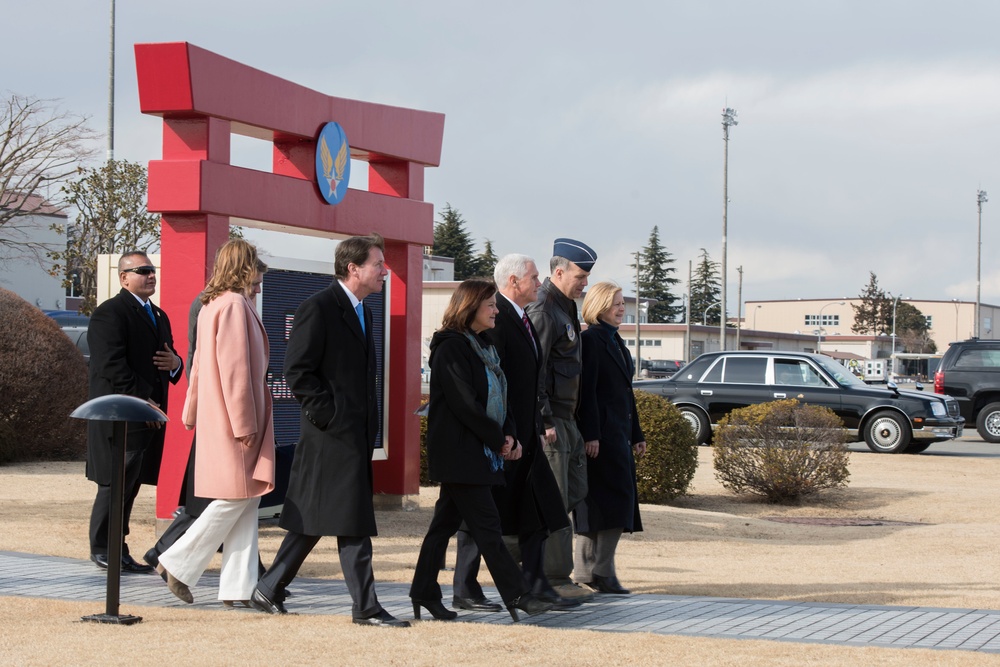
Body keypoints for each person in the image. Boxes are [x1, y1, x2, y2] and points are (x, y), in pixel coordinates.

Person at [251, 233, 408, 627]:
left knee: (323, 517)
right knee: (351, 520)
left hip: (352, 436)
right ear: (353, 268)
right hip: (330, 437)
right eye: (377, 264)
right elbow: (297, 371)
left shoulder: (364, 311)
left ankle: (268, 587)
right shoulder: (318, 308)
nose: (384, 271)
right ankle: (366, 608)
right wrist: (330, 417)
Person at [410, 278, 553, 622]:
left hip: (479, 451)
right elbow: (465, 405)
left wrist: (511, 434)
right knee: (488, 527)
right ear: (470, 307)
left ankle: (423, 591)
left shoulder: (484, 345)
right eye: (489, 305)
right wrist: (498, 439)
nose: (495, 310)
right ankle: (517, 594)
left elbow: (503, 397)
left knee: (443, 526)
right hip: (460, 454)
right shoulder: (449, 348)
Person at [453, 255, 578, 611]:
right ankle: (465, 586)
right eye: (534, 277)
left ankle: (536, 584)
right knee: (480, 511)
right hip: (504, 438)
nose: (539, 283)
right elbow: (493, 383)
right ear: (513, 281)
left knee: (539, 510)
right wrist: (502, 435)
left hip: (526, 434)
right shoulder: (498, 320)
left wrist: (538, 424)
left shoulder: (521, 317)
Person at [153, 242, 274, 606]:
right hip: (233, 419)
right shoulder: (235, 305)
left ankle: (237, 588)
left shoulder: (212, 305)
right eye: (256, 271)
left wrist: (191, 411)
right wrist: (245, 423)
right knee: (237, 497)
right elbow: (236, 372)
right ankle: (176, 562)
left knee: (246, 499)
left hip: (216, 415)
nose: (260, 281)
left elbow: (200, 363)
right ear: (244, 268)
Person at [86, 251, 183, 573]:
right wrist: (143, 399)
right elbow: (111, 365)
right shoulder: (109, 313)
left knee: (131, 482)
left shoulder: (159, 314)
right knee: (115, 482)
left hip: (147, 418)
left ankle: (118, 548)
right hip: (120, 416)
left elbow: (169, 358)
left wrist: (177, 364)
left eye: (152, 270)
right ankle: (104, 548)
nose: (150, 275)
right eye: (142, 270)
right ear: (123, 277)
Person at [524, 237, 597, 602]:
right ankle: (553, 576)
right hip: (552, 420)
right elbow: (534, 371)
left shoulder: (565, 307)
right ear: (558, 271)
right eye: (580, 277)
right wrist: (544, 419)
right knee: (555, 498)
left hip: (567, 419)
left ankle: (549, 571)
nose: (585, 284)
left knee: (573, 492)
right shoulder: (544, 309)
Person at [575, 282, 646, 595]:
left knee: (614, 502)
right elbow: (585, 392)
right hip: (600, 437)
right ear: (600, 305)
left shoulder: (616, 341)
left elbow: (626, 394)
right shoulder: (590, 340)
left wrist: (637, 434)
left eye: (622, 303)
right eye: (616, 303)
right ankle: (596, 570)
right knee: (602, 503)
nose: (622, 308)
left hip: (618, 434)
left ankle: (593, 570)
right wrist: (591, 433)